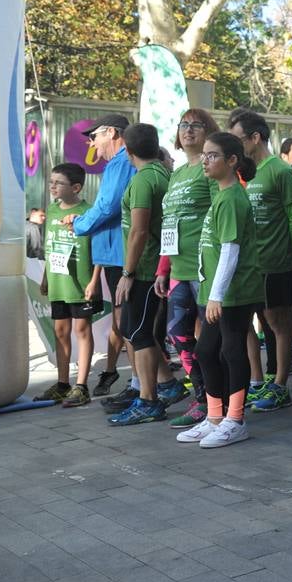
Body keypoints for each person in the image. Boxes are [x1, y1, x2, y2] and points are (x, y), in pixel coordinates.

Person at [175, 132, 266, 448]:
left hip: (236, 292)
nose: (205, 160)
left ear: (232, 161)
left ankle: (235, 419)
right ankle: (214, 417)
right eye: (204, 155)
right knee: (204, 351)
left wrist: (216, 295)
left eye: (213, 155)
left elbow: (230, 250)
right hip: (216, 290)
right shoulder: (220, 195)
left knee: (231, 349)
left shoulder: (232, 198)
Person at [231, 110, 292, 413]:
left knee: (278, 322)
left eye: (237, 140)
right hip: (247, 264)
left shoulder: (279, 171)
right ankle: (257, 381)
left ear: (255, 137)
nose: (233, 147)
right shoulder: (239, 173)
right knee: (245, 321)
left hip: (275, 262)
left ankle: (280, 385)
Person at [107, 122, 175, 426]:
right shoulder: (162, 173)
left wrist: (128, 272)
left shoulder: (144, 180)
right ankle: (167, 383)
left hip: (146, 268)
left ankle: (149, 400)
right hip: (153, 266)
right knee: (138, 331)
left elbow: (139, 230)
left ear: (127, 150)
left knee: (139, 334)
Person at [158, 109, 218, 430]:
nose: (189, 130)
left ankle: (218, 402)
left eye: (196, 125)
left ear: (208, 131)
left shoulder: (208, 171)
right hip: (178, 269)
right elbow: (171, 224)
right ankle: (201, 395)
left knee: (210, 341)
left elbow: (219, 216)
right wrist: (162, 270)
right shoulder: (178, 174)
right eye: (183, 124)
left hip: (204, 269)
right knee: (177, 333)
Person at [68, 113, 134, 398]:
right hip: (113, 256)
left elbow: (108, 207)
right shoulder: (117, 165)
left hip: (123, 258)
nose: (93, 144)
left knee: (131, 325)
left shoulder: (122, 163)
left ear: (112, 133)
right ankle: (141, 385)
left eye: (94, 137)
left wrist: (79, 223)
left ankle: (146, 386)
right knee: (124, 323)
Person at [39, 163, 96, 407]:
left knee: (81, 332)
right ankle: (63, 384)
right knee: (60, 332)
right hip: (58, 283)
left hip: (81, 284)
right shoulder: (51, 211)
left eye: (58, 183)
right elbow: (49, 247)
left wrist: (94, 281)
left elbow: (99, 250)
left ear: (76, 187)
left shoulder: (89, 212)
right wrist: (45, 277)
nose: (52, 186)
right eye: (51, 182)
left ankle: (81, 386)